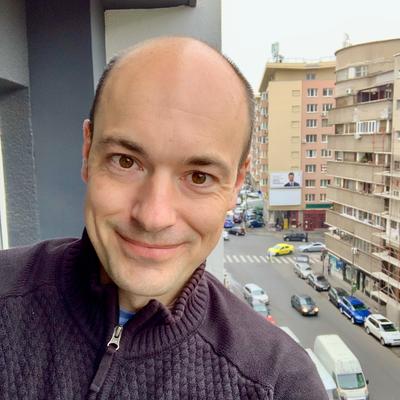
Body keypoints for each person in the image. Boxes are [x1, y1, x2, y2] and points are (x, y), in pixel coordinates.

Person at [0, 37, 327, 399]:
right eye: (126, 161)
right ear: (87, 150)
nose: (153, 217)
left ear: (236, 183)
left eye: (199, 177)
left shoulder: (280, 384)